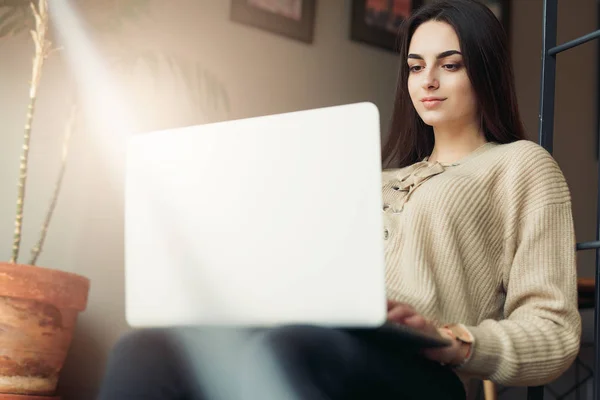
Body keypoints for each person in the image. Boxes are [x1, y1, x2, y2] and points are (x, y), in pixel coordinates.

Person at [97, 0, 582, 399]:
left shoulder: (521, 165)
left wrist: (451, 339)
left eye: (449, 65)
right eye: (415, 67)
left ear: (486, 70)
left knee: (288, 350)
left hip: (412, 367)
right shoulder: (369, 178)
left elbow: (555, 333)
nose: (427, 81)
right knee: (146, 348)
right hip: (307, 336)